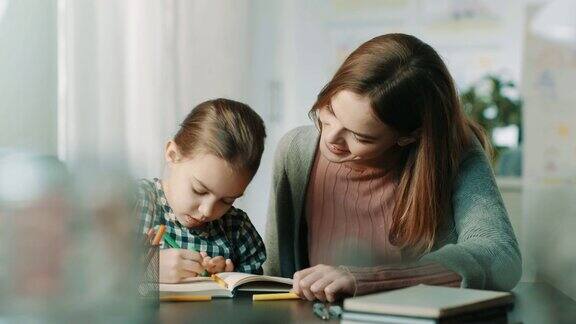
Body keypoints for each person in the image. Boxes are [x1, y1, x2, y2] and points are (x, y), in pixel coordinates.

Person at [264, 34, 521, 302]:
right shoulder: (296, 152)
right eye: (329, 112)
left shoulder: (454, 154)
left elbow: (500, 255)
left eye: (360, 137)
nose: (330, 138)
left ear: (409, 136)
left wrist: (372, 279)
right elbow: (275, 271)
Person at [137, 98, 267, 283]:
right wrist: (147, 269)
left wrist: (227, 278)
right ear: (173, 155)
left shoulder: (237, 229)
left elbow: (253, 298)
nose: (207, 211)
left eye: (227, 201)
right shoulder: (136, 203)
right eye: (199, 190)